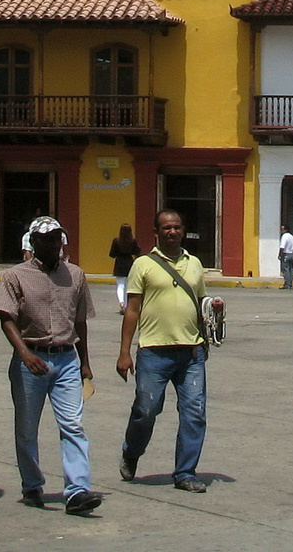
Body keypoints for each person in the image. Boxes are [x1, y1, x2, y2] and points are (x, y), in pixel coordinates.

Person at [0, 216, 100, 515]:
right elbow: (6, 318)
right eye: (47, 238)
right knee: (27, 428)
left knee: (73, 425)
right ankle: (32, 484)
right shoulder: (15, 276)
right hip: (31, 359)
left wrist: (85, 363)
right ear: (34, 242)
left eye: (58, 237)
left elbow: (80, 321)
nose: (55, 243)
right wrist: (26, 355)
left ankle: (77, 491)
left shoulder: (76, 275)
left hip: (67, 359)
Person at [117, 209, 209, 494]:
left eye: (177, 227)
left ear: (183, 230)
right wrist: (124, 352)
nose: (172, 232)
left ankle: (185, 472)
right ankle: (132, 452)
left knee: (194, 413)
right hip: (154, 352)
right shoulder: (143, 265)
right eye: (166, 228)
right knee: (146, 410)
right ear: (156, 232)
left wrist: (213, 314)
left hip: (192, 352)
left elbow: (202, 301)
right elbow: (132, 310)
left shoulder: (195, 264)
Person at [108, 223, 141, 314]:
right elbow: (137, 252)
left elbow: (112, 254)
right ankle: (126, 305)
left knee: (120, 285)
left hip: (119, 263)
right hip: (129, 263)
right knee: (128, 286)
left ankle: (122, 303)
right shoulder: (133, 241)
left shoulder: (116, 241)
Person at [278, 225, 293, 290]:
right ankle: (290, 284)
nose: (281, 230)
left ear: (285, 230)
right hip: (291, 254)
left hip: (285, 254)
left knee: (285, 270)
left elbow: (282, 247)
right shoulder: (291, 236)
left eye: (282, 229)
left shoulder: (284, 236)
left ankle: (287, 284)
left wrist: (280, 255)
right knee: (290, 270)